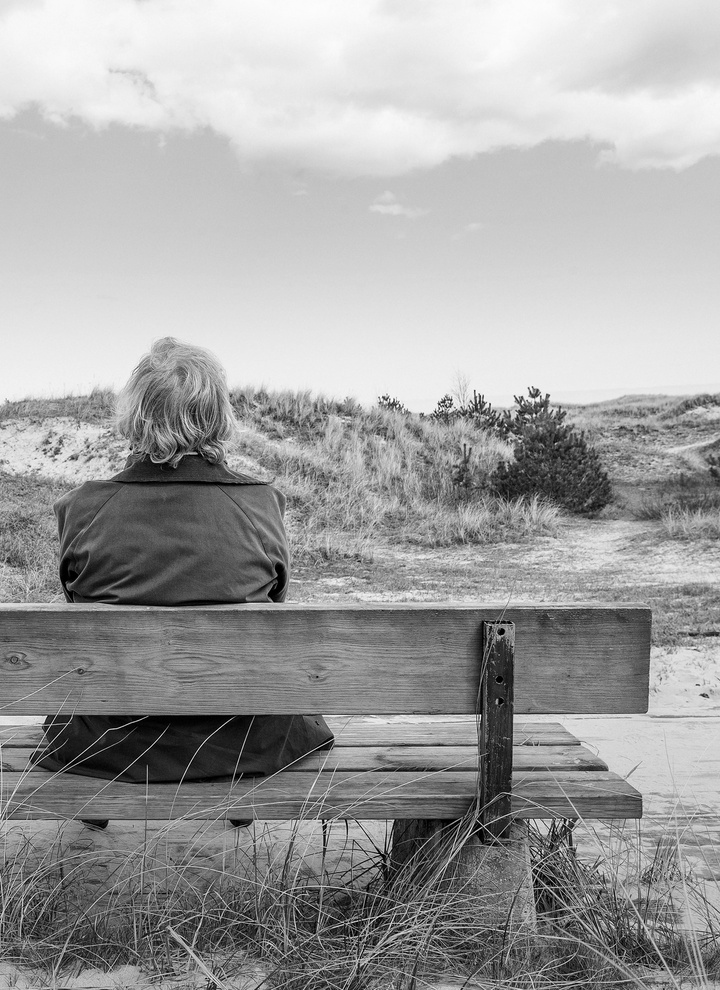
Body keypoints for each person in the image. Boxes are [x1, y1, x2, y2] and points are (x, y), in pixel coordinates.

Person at [32, 337, 333, 825]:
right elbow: (274, 604)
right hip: (244, 742)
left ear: (137, 416)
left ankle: (98, 802)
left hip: (109, 744)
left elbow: (77, 602)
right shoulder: (261, 506)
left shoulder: (81, 509)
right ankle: (237, 799)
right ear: (217, 414)